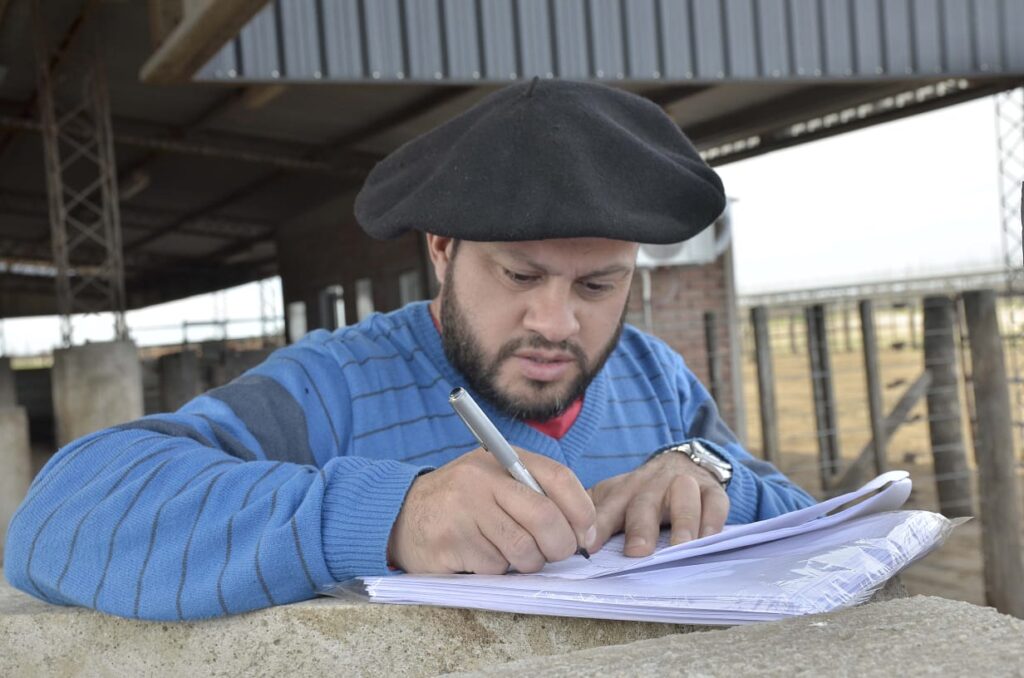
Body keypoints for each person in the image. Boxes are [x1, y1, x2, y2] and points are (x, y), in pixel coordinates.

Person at [4, 79, 814, 621]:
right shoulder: (333, 386)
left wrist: (717, 486)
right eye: (520, 274)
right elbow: (59, 519)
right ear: (441, 248)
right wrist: (393, 517)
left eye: (598, 285)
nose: (557, 321)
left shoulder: (655, 376)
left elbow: (809, 523)